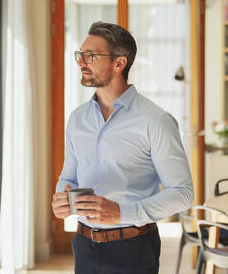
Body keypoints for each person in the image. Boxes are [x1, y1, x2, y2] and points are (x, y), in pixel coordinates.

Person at [51, 22, 194, 274]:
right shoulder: (77, 119)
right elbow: (68, 177)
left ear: (119, 63)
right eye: (80, 55)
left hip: (134, 248)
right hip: (84, 246)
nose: (81, 62)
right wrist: (63, 199)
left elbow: (183, 193)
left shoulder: (156, 121)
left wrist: (122, 212)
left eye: (90, 56)